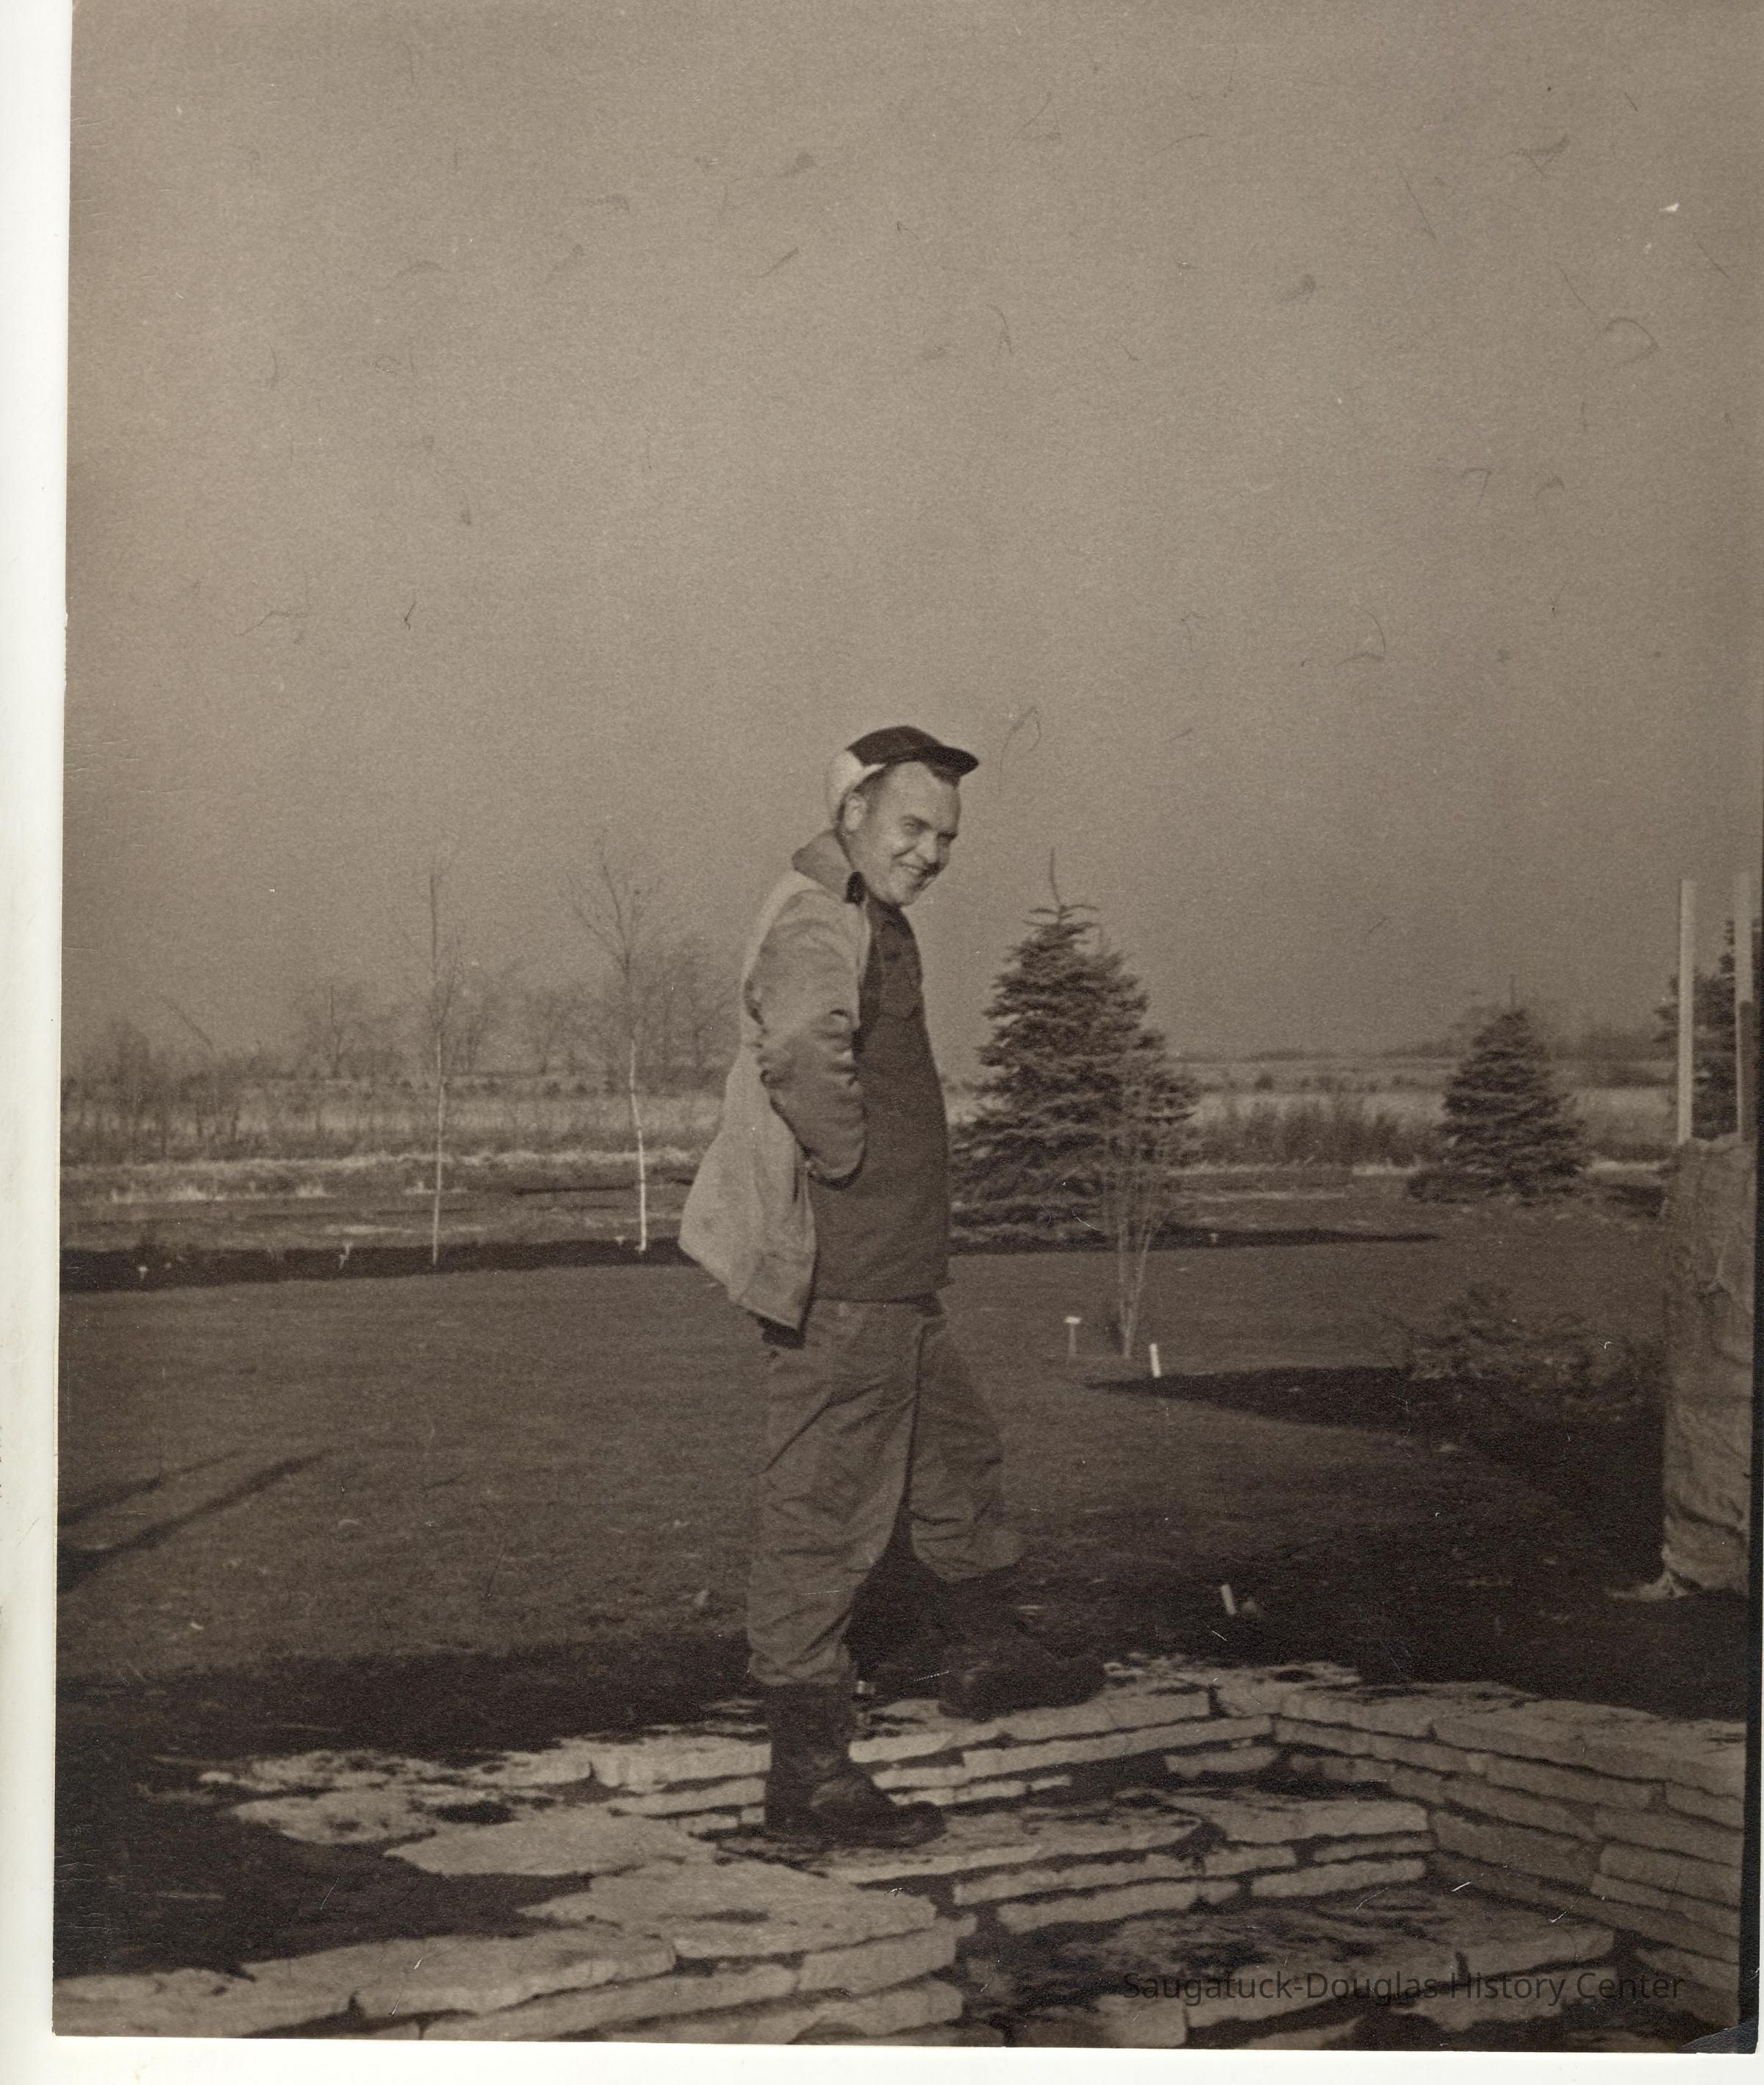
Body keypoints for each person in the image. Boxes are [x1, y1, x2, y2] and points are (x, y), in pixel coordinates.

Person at [681, 725, 1103, 1851]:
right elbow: (799, 1048)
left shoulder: (871, 912)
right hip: (852, 1278)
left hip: (898, 1277)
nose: (931, 852)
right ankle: (808, 1771)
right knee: (824, 1511)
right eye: (913, 826)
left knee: (955, 1460)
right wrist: (851, 1167)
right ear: (853, 813)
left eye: (946, 836)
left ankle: (990, 1652)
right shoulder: (821, 914)